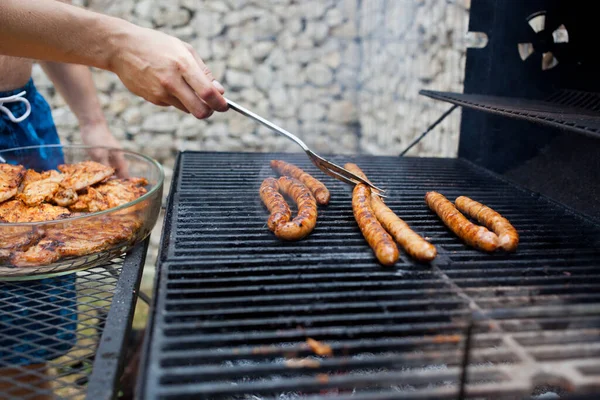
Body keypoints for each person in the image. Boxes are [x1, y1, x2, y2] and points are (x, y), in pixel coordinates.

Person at [0, 0, 226, 397]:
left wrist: (93, 121)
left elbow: (50, 14)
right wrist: (118, 43)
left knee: (27, 328)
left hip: (22, 116)